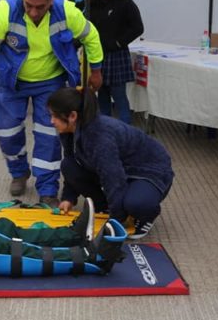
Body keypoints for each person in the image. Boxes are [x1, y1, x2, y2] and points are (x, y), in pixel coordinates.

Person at [0, 0, 103, 207]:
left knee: (49, 134)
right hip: (12, 82)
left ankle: (47, 188)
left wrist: (96, 70)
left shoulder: (67, 12)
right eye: (29, 6)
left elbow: (91, 36)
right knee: (6, 130)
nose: (34, 12)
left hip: (50, 81)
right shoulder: (4, 11)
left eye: (40, 7)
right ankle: (19, 172)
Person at [47, 87, 173, 239]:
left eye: (54, 116)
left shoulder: (99, 137)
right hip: (121, 168)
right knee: (69, 165)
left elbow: (113, 179)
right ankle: (106, 206)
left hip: (148, 171)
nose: (51, 121)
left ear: (73, 116)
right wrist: (68, 198)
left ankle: (146, 216)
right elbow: (72, 161)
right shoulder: (69, 130)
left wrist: (114, 222)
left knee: (136, 204)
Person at [88, 0, 144, 124]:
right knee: (103, 97)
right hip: (98, 56)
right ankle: (106, 131)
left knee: (119, 97)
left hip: (116, 56)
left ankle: (126, 133)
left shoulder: (125, 2)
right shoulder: (93, 3)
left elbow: (138, 27)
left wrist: (119, 42)